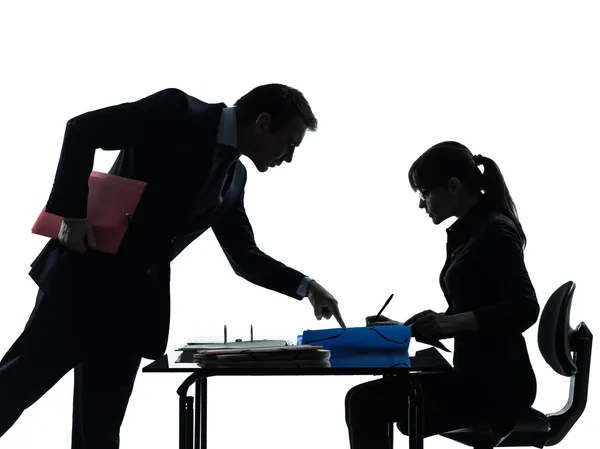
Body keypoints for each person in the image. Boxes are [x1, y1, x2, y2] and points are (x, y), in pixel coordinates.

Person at [0, 84, 346, 448]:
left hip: (133, 306)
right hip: (81, 288)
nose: (288, 158)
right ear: (262, 122)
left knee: (99, 432)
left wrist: (307, 286)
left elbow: (244, 256)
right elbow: (83, 129)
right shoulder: (179, 111)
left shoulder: (235, 179)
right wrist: (72, 214)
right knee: (13, 390)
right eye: (289, 143)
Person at [345, 141, 540, 448]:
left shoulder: (495, 231)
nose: (421, 204)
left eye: (424, 193)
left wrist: (451, 324)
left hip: (498, 385)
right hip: (476, 376)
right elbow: (473, 308)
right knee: (367, 400)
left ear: (453, 186)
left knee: (366, 403)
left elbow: (525, 307)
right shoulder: (470, 232)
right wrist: (404, 329)